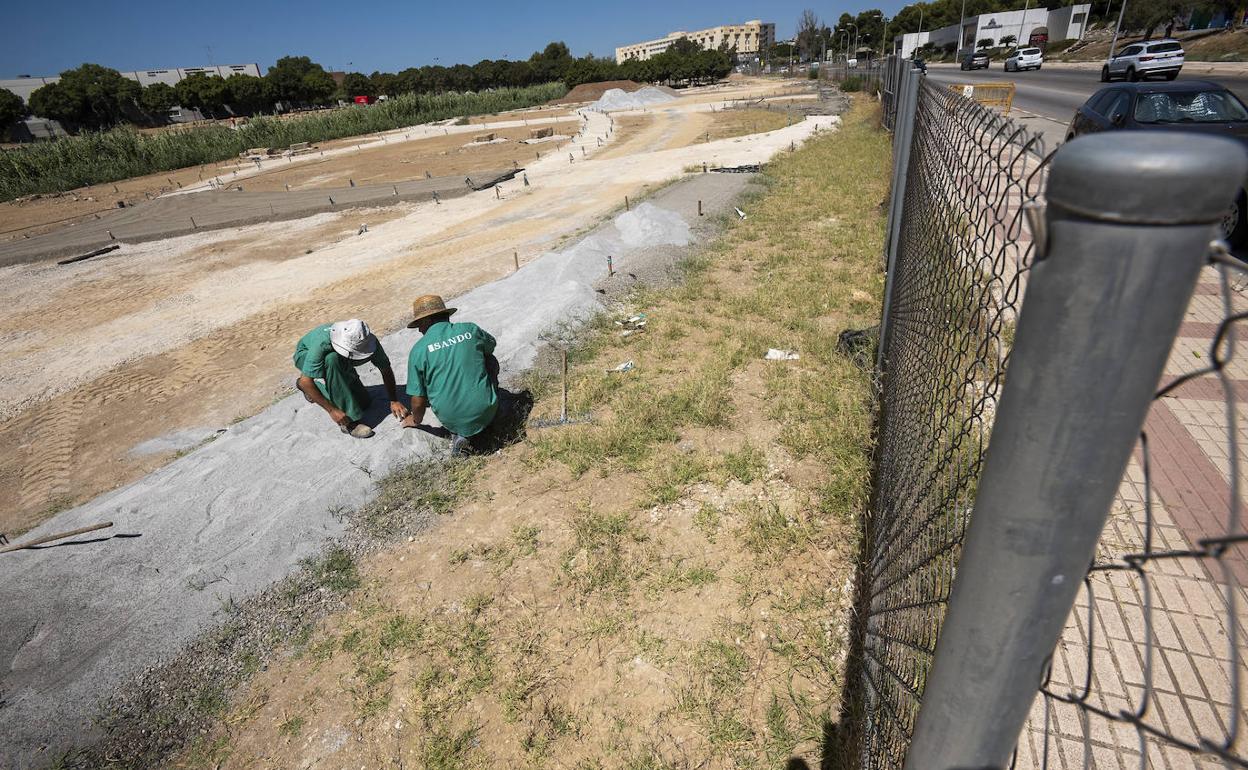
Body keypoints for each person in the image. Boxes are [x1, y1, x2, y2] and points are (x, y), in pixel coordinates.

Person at [400, 295, 500, 455]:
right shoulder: (470, 329)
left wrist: (415, 420)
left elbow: (417, 402)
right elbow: (491, 345)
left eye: (419, 324)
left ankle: (460, 433)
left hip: (451, 419)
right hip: (488, 409)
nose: (419, 329)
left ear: (427, 321)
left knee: (426, 384)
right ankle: (486, 410)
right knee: (490, 359)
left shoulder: (418, 350)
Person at [294, 319, 409, 438]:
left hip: (339, 358)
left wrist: (394, 400)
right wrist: (333, 411)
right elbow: (305, 381)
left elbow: (385, 369)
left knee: (364, 403)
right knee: (332, 360)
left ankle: (338, 382)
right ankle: (349, 423)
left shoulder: (368, 340)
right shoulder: (322, 344)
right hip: (306, 353)